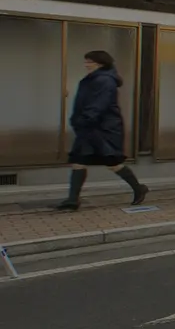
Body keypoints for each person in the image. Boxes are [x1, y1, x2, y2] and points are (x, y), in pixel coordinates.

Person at [56, 51, 149, 210]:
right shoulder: (94, 79)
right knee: (79, 160)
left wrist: (84, 120)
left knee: (113, 162)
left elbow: (99, 104)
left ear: (100, 63)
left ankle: (138, 188)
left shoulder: (104, 81)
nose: (86, 65)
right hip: (90, 127)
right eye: (86, 61)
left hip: (103, 128)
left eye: (89, 62)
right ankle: (72, 199)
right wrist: (79, 120)